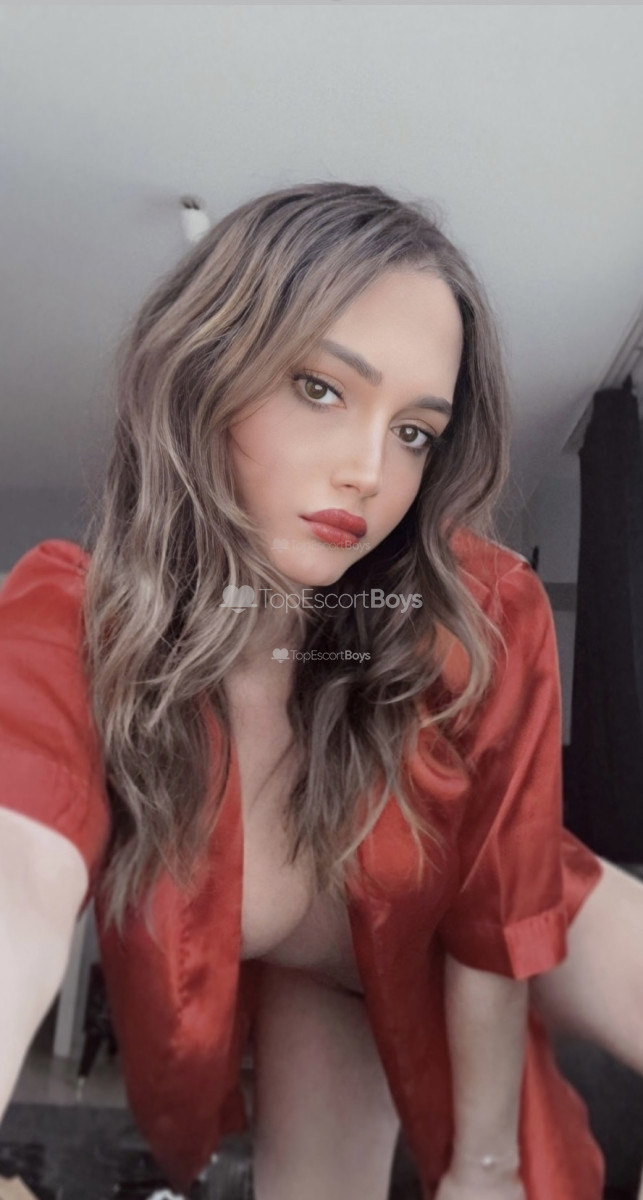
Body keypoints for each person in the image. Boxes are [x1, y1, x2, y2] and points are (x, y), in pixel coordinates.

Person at [0, 180, 639, 1200]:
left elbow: (499, 902)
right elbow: (17, 872)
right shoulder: (73, 621)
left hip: (505, 890)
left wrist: (483, 1165)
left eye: (415, 432)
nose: (368, 472)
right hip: (331, 981)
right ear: (207, 372)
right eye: (320, 388)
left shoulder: (475, 611)